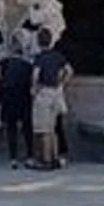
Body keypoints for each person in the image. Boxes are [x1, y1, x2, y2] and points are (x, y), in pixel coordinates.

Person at [30, 28, 73, 170]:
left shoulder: (40, 58)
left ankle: (45, 161)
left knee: (43, 130)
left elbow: (36, 75)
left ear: (38, 41)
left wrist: (34, 89)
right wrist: (61, 83)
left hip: (44, 94)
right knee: (53, 128)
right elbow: (69, 70)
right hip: (57, 93)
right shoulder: (58, 56)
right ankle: (55, 158)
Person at [0, 43, 34, 168]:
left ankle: (13, 158)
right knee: (27, 129)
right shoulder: (28, 66)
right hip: (24, 100)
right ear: (22, 53)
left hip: (8, 100)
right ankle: (29, 156)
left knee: (11, 129)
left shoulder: (3, 63)